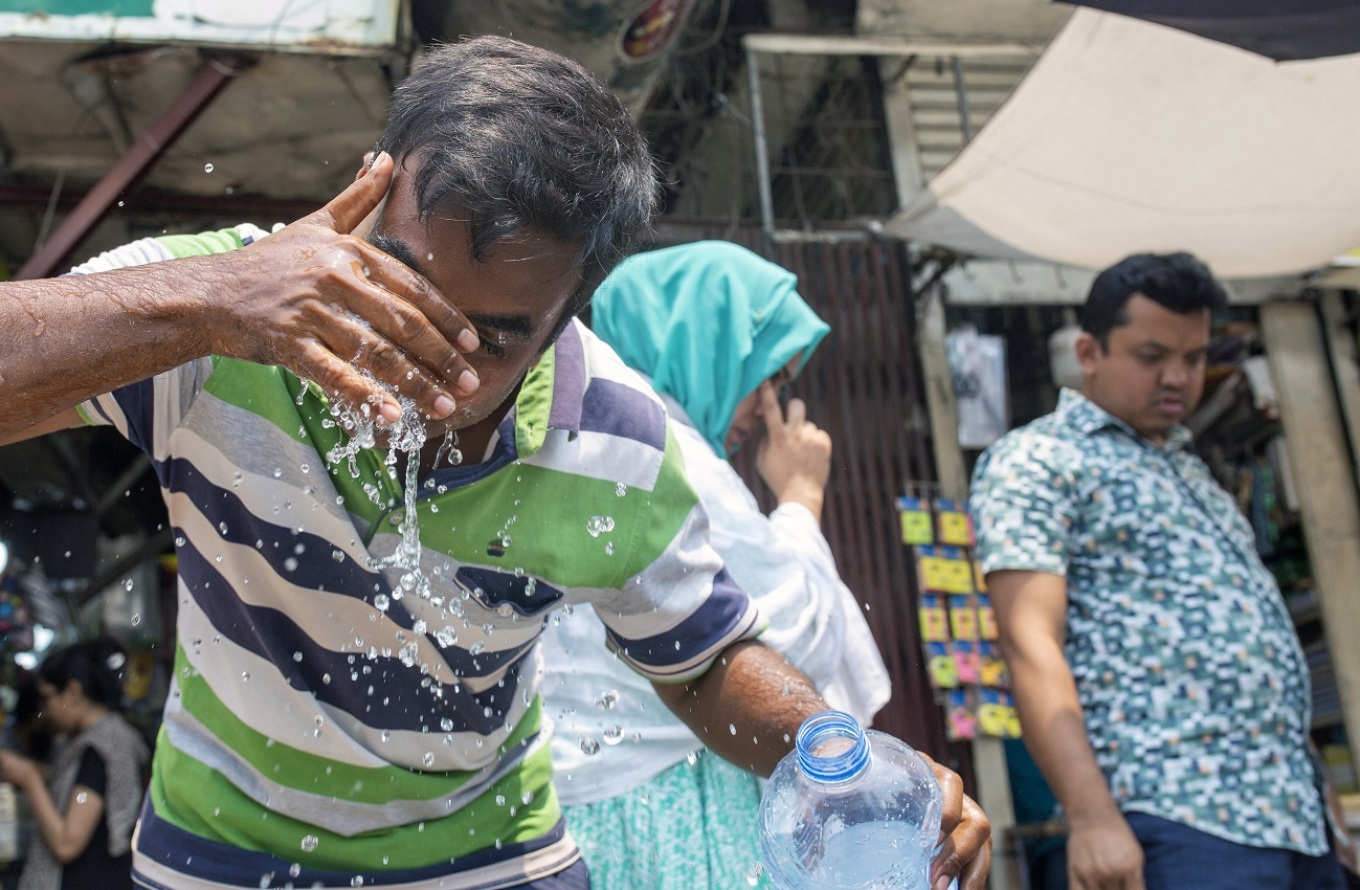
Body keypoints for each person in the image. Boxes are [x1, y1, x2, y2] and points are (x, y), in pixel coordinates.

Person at [0, 36, 990, 890]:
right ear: (370, 194)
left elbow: (702, 664)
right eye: (398, 290)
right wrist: (217, 300)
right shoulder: (226, 317)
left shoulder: (614, 439)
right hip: (224, 846)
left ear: (569, 314)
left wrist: (840, 759)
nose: (428, 360)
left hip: (487, 854)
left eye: (490, 339)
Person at [969, 252, 1349, 889]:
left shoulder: (1188, 467)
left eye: (1195, 357)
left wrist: (1324, 811)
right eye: (1151, 357)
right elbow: (1029, 643)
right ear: (1089, 352)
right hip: (1173, 816)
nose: (1178, 376)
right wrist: (1091, 820)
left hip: (1292, 822)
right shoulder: (1038, 459)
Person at [540, 241, 894, 889]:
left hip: (594, 801)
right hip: (672, 809)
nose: (766, 409)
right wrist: (800, 497)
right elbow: (793, 645)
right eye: (763, 375)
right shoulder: (671, 452)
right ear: (699, 343)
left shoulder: (597, 432)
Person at [0, 638, 149, 890]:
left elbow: (67, 843)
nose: (45, 711)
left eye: (47, 698)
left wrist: (29, 778)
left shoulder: (102, 748)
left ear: (72, 692)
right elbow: (81, 786)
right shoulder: (105, 740)